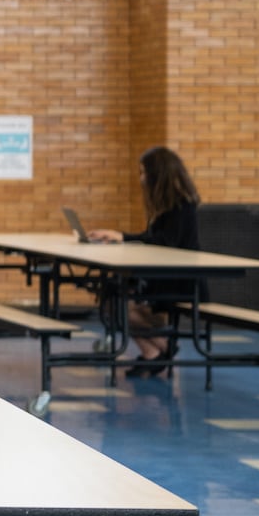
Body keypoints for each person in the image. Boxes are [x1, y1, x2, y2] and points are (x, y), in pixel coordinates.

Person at [89, 146, 202, 378]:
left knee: (120, 303)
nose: (141, 179)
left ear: (158, 175)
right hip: (162, 276)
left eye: (144, 173)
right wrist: (122, 237)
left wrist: (124, 238)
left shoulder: (183, 207)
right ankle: (153, 353)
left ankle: (164, 345)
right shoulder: (165, 208)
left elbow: (164, 242)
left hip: (180, 282)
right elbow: (152, 238)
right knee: (111, 298)